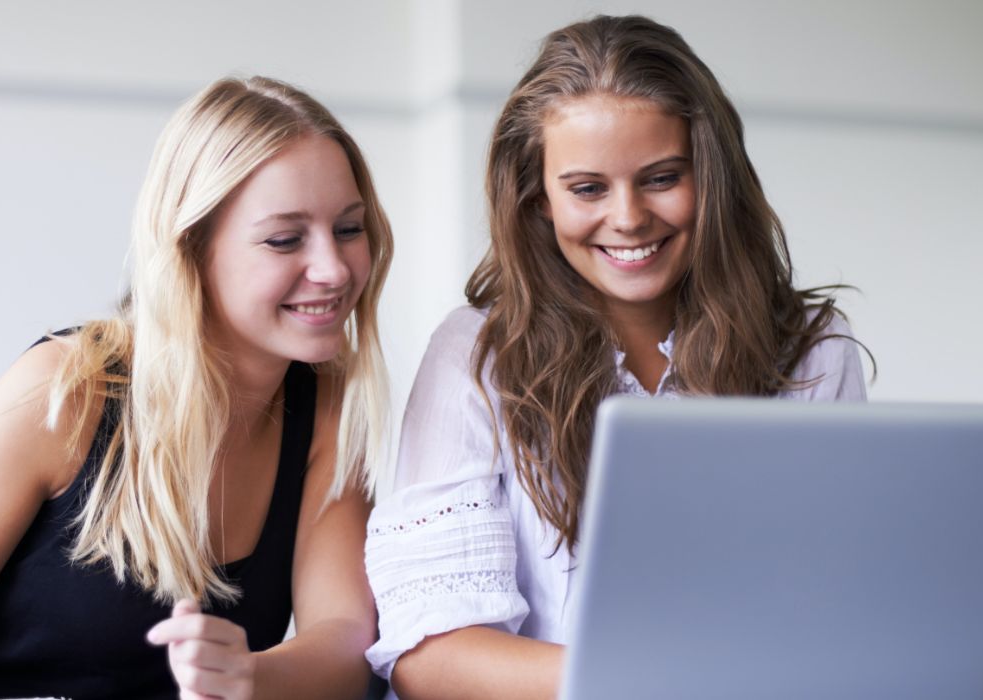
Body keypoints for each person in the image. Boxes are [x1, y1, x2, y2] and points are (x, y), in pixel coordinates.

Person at [0, 75, 393, 700]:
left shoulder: (327, 409)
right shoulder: (63, 392)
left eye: (348, 228)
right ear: (190, 249)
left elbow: (343, 641)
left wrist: (248, 677)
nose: (334, 269)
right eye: (285, 239)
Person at [364, 15, 870, 700]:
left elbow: (836, 608)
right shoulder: (476, 354)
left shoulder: (812, 348)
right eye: (588, 189)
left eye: (662, 177)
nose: (628, 218)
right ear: (538, 200)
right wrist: (663, 679)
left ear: (712, 179)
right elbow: (431, 658)